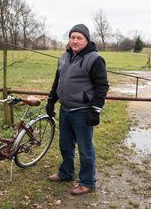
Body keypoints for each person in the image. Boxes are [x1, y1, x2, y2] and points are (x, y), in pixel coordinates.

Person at [46, 24, 109, 195]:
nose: (75, 41)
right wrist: (51, 100)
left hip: (82, 112)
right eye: (72, 37)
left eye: (79, 38)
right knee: (65, 146)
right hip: (65, 110)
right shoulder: (64, 57)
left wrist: (95, 110)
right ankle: (66, 173)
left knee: (85, 149)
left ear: (87, 40)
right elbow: (57, 80)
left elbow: (102, 86)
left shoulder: (94, 59)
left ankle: (88, 182)